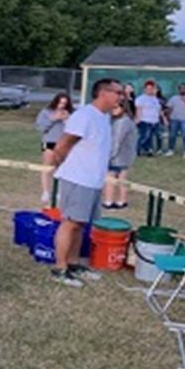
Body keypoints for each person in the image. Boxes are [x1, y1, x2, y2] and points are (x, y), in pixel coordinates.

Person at [48, 77, 125, 286]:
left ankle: (74, 264)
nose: (121, 96)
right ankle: (60, 268)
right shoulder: (84, 115)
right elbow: (62, 145)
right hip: (77, 179)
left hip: (93, 181)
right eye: (117, 92)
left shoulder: (104, 117)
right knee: (70, 223)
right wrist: (64, 165)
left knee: (81, 225)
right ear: (102, 93)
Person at [35, 93, 73, 203]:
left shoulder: (70, 114)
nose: (61, 106)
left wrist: (67, 119)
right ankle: (46, 191)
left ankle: (60, 192)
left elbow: (73, 130)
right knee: (47, 167)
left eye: (64, 104)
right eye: (60, 103)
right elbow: (41, 128)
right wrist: (53, 119)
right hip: (49, 142)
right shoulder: (46, 112)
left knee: (61, 168)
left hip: (64, 143)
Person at [102, 101, 137, 209]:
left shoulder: (122, 122)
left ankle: (109, 201)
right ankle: (121, 201)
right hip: (124, 156)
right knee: (121, 179)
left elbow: (116, 141)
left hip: (118, 157)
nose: (113, 110)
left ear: (123, 108)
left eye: (116, 108)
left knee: (111, 179)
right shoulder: (123, 121)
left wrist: (109, 156)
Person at [133, 80, 162, 157]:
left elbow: (158, 110)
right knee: (144, 136)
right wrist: (138, 119)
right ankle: (137, 150)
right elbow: (139, 109)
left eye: (151, 88)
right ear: (145, 89)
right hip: (145, 120)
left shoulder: (155, 99)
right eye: (148, 88)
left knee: (151, 137)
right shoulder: (141, 99)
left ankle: (148, 150)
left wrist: (161, 119)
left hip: (155, 121)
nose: (150, 90)